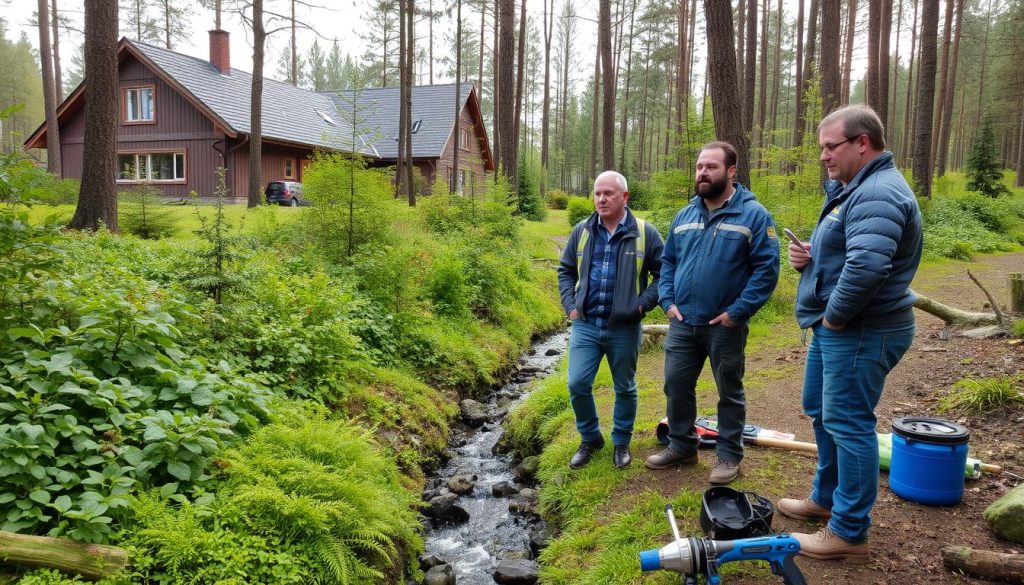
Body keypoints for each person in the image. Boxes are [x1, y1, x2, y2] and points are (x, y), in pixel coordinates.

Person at [780, 104, 922, 562]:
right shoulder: (854, 188)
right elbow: (850, 252)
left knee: (848, 423)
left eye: (830, 145)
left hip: (861, 329)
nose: (823, 155)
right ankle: (826, 500)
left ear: (862, 142)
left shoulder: (878, 191)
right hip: (843, 328)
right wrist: (811, 257)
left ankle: (849, 532)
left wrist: (835, 318)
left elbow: (867, 267)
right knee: (821, 412)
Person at [644, 141, 780, 485]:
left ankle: (729, 456)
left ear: (731, 171)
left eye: (711, 167)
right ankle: (682, 446)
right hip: (682, 321)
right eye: (699, 167)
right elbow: (669, 262)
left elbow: (767, 269)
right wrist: (668, 300)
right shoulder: (685, 214)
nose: (702, 173)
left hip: (724, 325)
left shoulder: (754, 215)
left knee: (729, 391)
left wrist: (739, 311)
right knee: (675, 385)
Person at [557, 170, 664, 470]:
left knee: (625, 387)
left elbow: (664, 274)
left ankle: (621, 442)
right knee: (577, 383)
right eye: (597, 193)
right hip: (586, 325)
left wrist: (641, 306)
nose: (601, 199)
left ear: (625, 197)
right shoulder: (582, 230)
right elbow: (565, 270)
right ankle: (590, 438)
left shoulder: (645, 233)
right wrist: (570, 306)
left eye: (608, 194)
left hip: (625, 328)